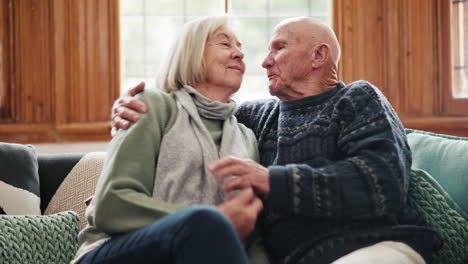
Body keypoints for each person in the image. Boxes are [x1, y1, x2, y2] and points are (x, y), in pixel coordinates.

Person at [112, 17, 441, 264]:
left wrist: (272, 179)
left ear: (318, 56)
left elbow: (381, 182)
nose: (263, 61)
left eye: (279, 48)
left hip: (372, 248)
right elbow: (196, 110)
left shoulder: (357, 99)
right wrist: (133, 107)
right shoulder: (255, 118)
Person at [74, 15, 266, 264]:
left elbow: (253, 236)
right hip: (113, 249)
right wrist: (217, 220)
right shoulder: (151, 106)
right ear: (191, 52)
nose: (239, 53)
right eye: (225, 44)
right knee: (206, 223)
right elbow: (112, 206)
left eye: (240, 47)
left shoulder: (246, 137)